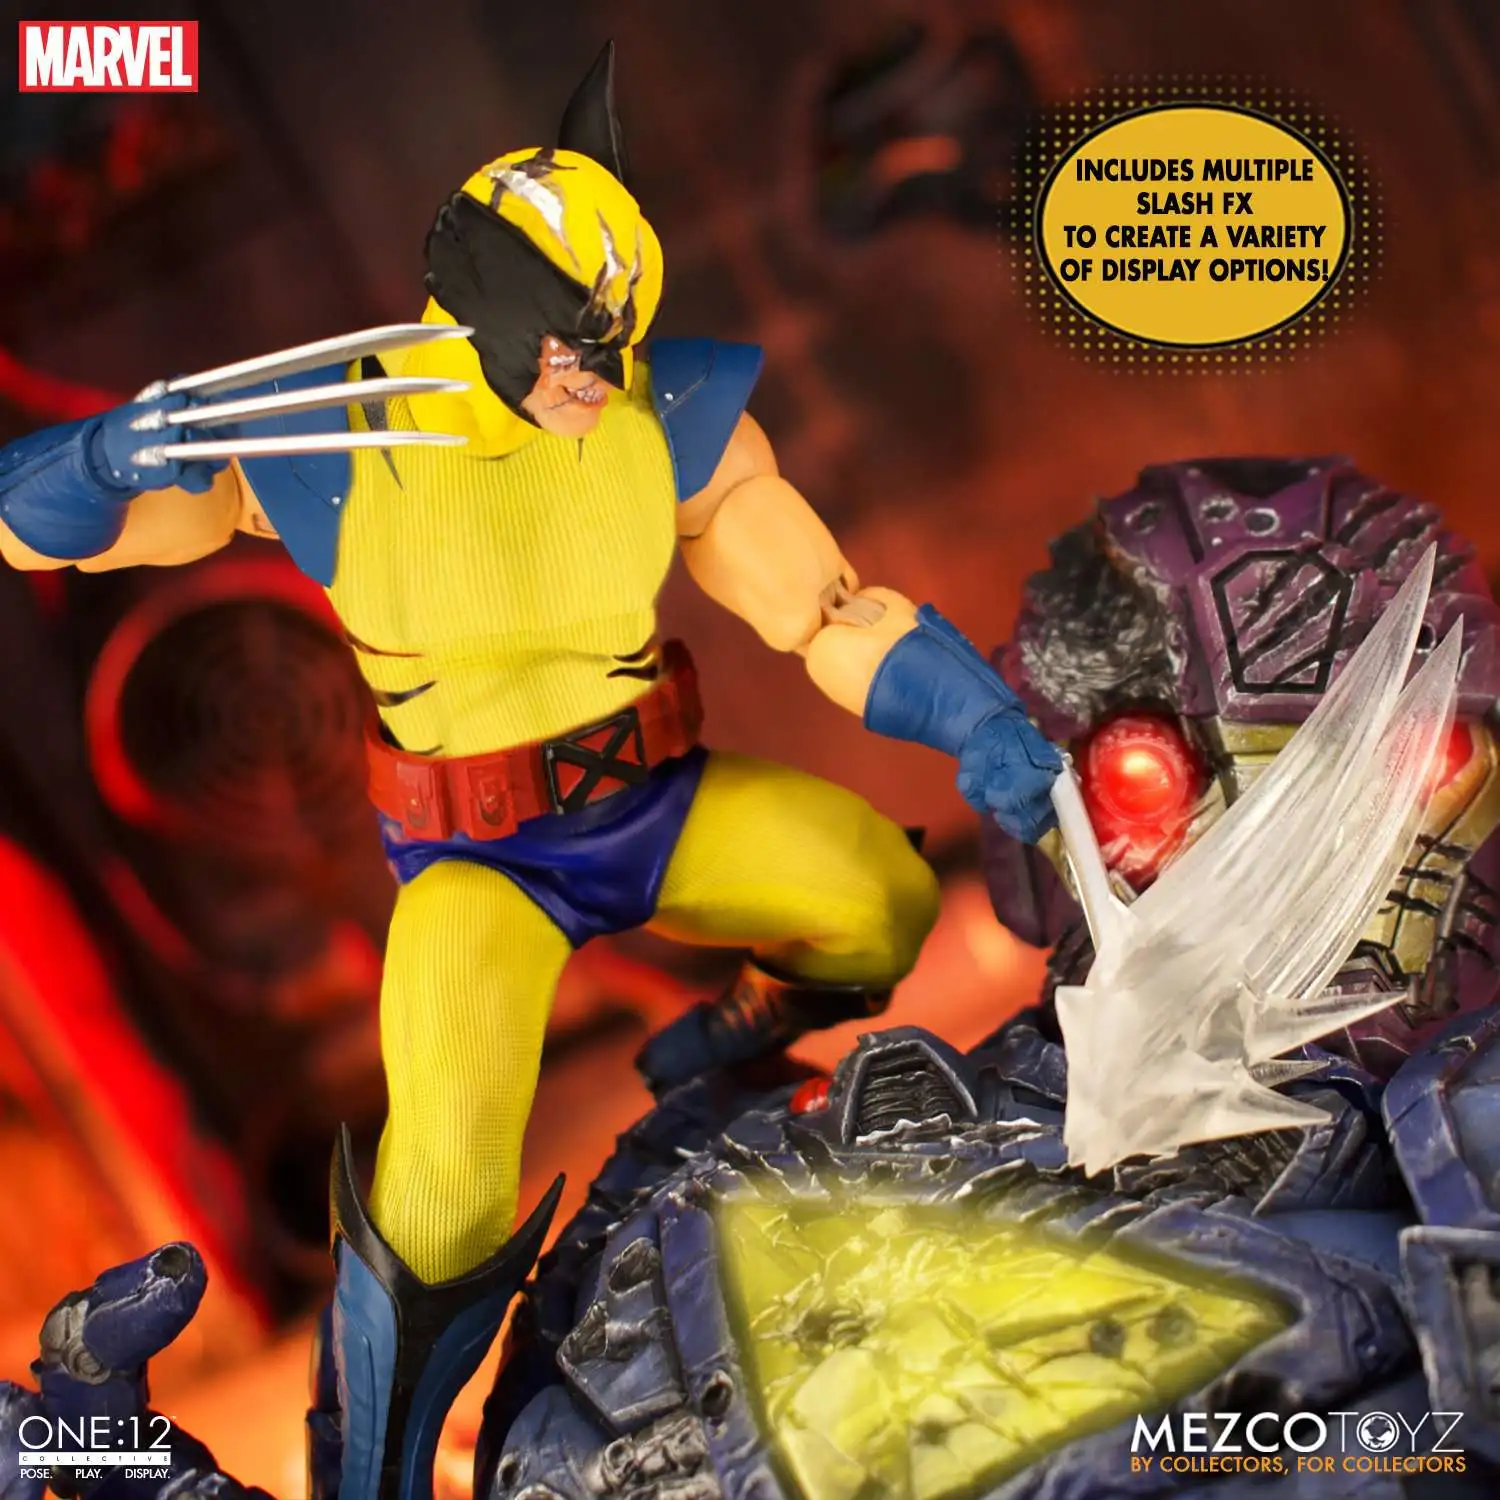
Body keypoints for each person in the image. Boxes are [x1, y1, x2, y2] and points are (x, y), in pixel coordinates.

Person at [0, 44, 1061, 1500]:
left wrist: (984, 724)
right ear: (487, 305)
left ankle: (732, 1053)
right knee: (440, 1193)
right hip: (478, 865)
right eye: (572, 342)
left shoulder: (659, 418)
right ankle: (367, 1476)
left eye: (616, 338)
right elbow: (30, 529)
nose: (596, 374)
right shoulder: (337, 436)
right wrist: (105, 460)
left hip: (658, 804)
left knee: (875, 895)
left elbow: (822, 613)